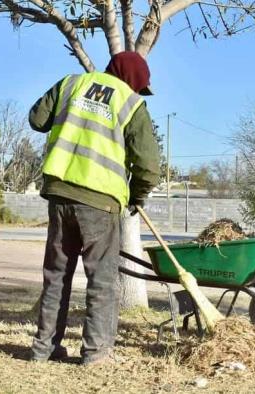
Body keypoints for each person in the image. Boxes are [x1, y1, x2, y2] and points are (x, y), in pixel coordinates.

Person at [27, 51, 160, 365]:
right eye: (140, 87)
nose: (139, 92)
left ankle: (44, 349)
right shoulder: (131, 103)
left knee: (57, 275)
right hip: (101, 202)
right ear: (134, 81)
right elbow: (149, 167)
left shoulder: (70, 84)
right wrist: (136, 196)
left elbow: (37, 120)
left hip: (60, 194)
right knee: (101, 279)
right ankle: (95, 353)